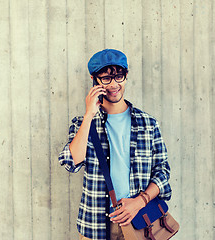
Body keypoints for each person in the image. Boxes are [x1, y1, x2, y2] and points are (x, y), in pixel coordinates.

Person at [59, 49, 172, 240]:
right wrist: (89, 115)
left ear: (126, 76)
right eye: (106, 78)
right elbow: (71, 162)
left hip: (140, 221)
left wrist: (139, 201)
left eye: (118, 76)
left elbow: (163, 172)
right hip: (94, 225)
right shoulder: (82, 123)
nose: (113, 84)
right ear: (94, 79)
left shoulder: (148, 123)